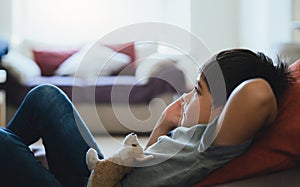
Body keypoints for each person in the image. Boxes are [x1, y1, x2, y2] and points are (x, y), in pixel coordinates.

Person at [0, 49, 294, 187]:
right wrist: (164, 124)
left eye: (197, 91)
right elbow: (145, 168)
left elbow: (257, 95)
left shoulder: (213, 143)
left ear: (222, 110)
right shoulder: (191, 139)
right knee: (47, 95)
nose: (186, 97)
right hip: (99, 180)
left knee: (3, 142)